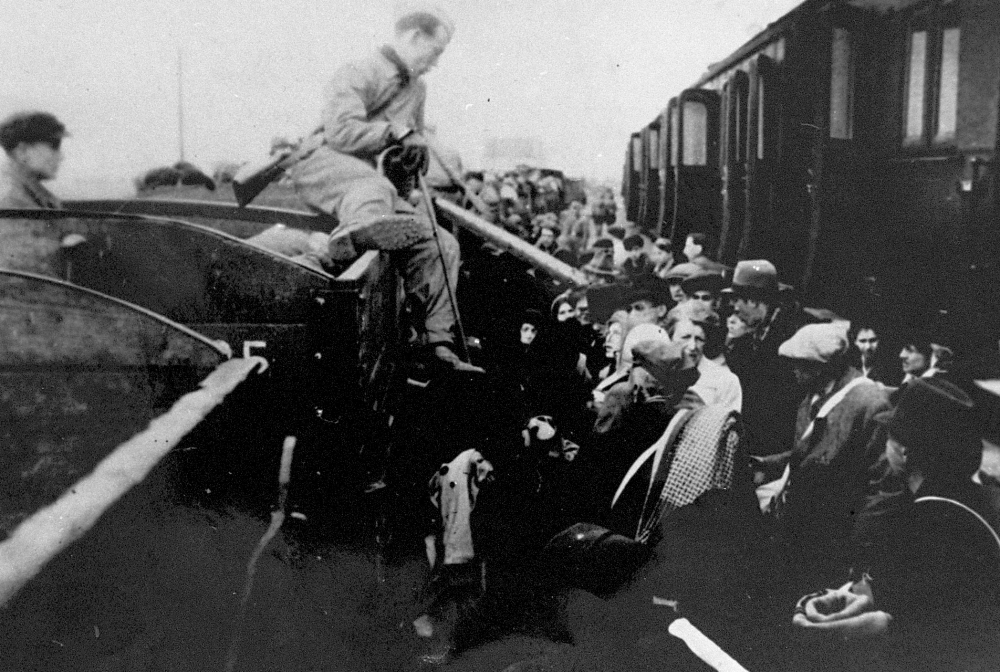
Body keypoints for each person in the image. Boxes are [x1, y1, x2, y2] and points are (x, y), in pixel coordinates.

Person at [286, 6, 481, 373]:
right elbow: (341, 133)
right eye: (435, 51)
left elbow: (407, 154)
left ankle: (436, 344)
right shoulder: (358, 72)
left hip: (374, 186)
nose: (436, 62)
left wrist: (411, 162)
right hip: (324, 162)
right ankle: (353, 233)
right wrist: (393, 133)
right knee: (371, 187)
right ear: (413, 38)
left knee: (440, 244)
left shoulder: (417, 90)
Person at [794, 378, 1000, 671]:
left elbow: (935, 633)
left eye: (889, 436)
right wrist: (856, 597)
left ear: (904, 452)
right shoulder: (973, 500)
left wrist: (876, 625)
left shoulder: (923, 521)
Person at [765, 322, 891, 588]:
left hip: (835, 538)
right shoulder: (811, 397)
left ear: (823, 366)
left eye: (801, 364)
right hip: (800, 529)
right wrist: (765, 465)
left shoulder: (869, 403)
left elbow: (882, 485)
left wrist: (860, 553)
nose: (794, 371)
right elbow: (809, 455)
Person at [723, 260, 808, 458]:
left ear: (753, 301)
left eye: (737, 300)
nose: (734, 307)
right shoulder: (757, 326)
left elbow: (764, 387)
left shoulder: (790, 331)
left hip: (774, 436)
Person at [0, 111, 67, 209]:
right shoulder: (11, 198)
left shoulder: (29, 193)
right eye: (54, 146)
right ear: (22, 151)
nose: (61, 157)